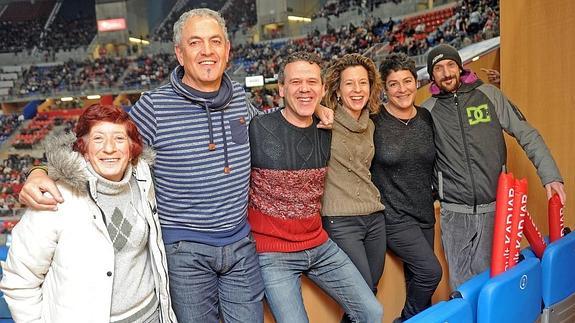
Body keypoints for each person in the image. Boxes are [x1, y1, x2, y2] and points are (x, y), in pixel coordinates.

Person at [18, 8, 332, 323]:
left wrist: (311, 106)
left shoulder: (239, 97)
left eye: (215, 42)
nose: (207, 51)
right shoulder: (154, 107)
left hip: (240, 243)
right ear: (179, 54)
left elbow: (272, 128)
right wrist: (39, 173)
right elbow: (98, 145)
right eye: (195, 43)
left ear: (227, 50)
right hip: (185, 250)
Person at [0, 104, 177, 322]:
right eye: (99, 139)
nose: (110, 148)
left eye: (119, 139)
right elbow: (19, 280)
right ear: (84, 148)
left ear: (132, 148)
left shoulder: (143, 180)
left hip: (151, 316)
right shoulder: (56, 197)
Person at [248, 51, 383, 323]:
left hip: (320, 245)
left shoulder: (328, 128)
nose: (305, 89)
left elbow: (357, 119)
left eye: (312, 82)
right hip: (274, 253)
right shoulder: (258, 127)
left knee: (372, 311)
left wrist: (323, 110)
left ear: (323, 89)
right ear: (282, 89)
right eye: (296, 82)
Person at [422, 44, 566, 289]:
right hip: (454, 214)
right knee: (461, 286)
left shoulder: (489, 95)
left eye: (450, 65)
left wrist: (550, 176)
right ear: (432, 75)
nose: (446, 73)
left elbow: (527, 134)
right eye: (438, 68)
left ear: (459, 66)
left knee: (494, 282)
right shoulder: (427, 111)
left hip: (494, 208)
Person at [372, 53, 442, 321]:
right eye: (393, 84)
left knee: (418, 279)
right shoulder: (374, 121)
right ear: (385, 88)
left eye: (407, 81)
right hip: (393, 217)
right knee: (430, 272)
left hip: (424, 212)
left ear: (416, 82)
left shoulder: (425, 117)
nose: (402, 89)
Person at [321, 54, 386, 304]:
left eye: (363, 83)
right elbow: (296, 103)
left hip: (374, 216)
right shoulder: (325, 120)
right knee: (363, 295)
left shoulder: (370, 124)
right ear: (337, 89)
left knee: (370, 290)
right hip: (341, 219)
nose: (357, 90)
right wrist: (317, 106)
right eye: (349, 84)